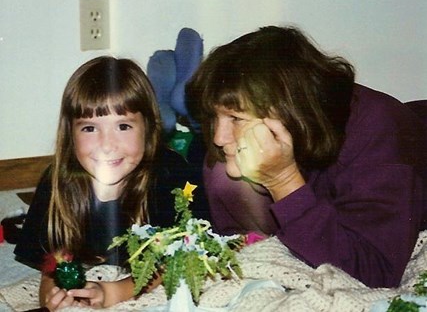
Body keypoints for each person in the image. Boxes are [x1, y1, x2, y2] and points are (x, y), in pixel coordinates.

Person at [186, 25, 427, 288]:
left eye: (236, 118)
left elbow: (376, 274)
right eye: (215, 116)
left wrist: (284, 181)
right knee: (224, 172)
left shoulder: (379, 133)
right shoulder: (232, 147)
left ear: (290, 114)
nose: (220, 137)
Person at [14, 56, 209, 310]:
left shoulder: (171, 177)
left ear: (149, 129)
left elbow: (175, 259)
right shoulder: (57, 182)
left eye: (123, 126)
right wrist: (52, 297)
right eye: (90, 129)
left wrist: (116, 291)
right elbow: (52, 263)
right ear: (70, 134)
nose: (107, 146)